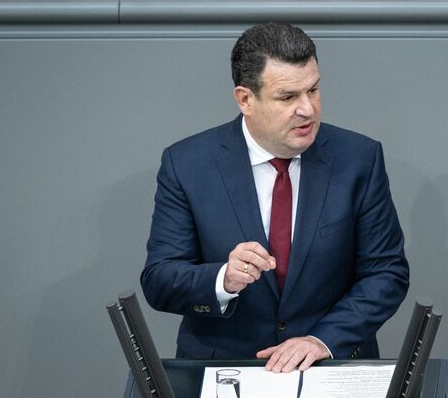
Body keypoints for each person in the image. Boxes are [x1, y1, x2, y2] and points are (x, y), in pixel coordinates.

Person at [141, 22, 409, 373]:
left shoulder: (359, 158)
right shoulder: (187, 164)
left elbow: (386, 272)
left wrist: (322, 340)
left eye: (312, 90)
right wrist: (222, 278)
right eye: (288, 97)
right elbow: (160, 279)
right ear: (245, 99)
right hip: (226, 369)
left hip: (329, 365)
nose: (308, 109)